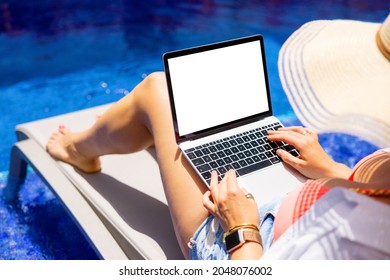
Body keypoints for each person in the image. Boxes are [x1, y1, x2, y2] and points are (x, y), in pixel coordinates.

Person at [46, 14, 390, 260]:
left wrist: (241, 229)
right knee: (205, 120)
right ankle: (155, 132)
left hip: (248, 243)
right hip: (302, 199)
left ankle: (78, 150)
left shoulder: (358, 246)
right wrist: (331, 170)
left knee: (158, 90)